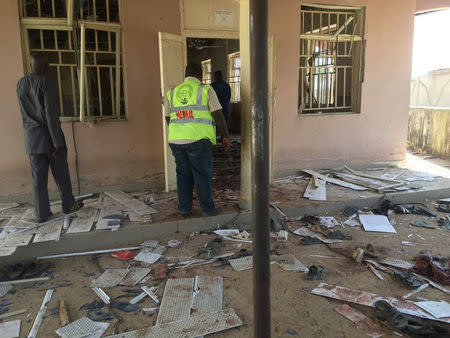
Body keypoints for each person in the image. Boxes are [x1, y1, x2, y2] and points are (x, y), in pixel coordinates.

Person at [17, 53, 83, 223]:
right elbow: (50, 115)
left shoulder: (21, 84)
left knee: (38, 178)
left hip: (32, 139)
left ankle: (42, 214)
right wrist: (57, 143)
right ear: (45, 67)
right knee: (61, 173)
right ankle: (68, 205)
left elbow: (25, 114)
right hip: (49, 137)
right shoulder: (48, 83)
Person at [164, 63, 229, 218]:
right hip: (199, 141)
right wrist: (225, 135)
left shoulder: (172, 92)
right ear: (200, 75)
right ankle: (207, 209)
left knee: (183, 175)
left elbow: (168, 117)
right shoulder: (205, 89)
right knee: (202, 175)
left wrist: (180, 130)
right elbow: (218, 114)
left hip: (176, 141)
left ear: (185, 75)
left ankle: (184, 209)